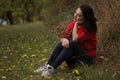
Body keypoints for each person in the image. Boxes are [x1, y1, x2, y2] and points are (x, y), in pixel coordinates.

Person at [34, 4, 97, 76]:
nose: (75, 16)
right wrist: (64, 39)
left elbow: (75, 40)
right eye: (75, 13)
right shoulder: (72, 24)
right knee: (63, 43)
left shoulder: (90, 29)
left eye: (79, 15)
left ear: (85, 18)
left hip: (86, 60)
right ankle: (48, 65)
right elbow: (64, 35)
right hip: (74, 60)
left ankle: (52, 67)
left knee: (72, 44)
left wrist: (76, 24)